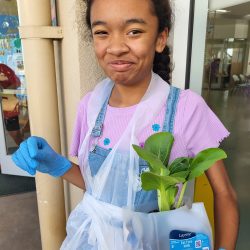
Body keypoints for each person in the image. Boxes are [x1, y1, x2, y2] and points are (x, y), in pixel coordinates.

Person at [12, 0, 239, 249]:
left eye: (134, 31)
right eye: (102, 32)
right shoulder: (90, 106)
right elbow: (103, 191)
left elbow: (225, 194)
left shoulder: (185, 109)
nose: (116, 47)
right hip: (92, 240)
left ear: (160, 38)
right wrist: (58, 165)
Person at [0, 63, 24, 146]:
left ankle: (25, 154)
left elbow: (17, 83)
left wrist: (4, 91)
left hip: (8, 110)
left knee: (16, 136)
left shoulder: (3, 68)